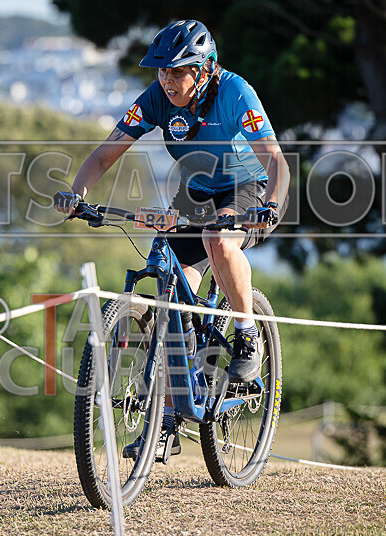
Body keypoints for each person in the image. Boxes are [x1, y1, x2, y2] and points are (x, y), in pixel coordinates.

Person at [54, 20, 289, 459]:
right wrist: (78, 194)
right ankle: (165, 420)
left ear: (203, 71)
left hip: (250, 190)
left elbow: (275, 158)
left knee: (220, 242)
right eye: (161, 72)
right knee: (172, 302)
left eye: (178, 72)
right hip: (198, 192)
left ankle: (246, 333)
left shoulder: (236, 92)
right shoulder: (156, 100)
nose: (167, 80)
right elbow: (106, 153)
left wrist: (272, 202)